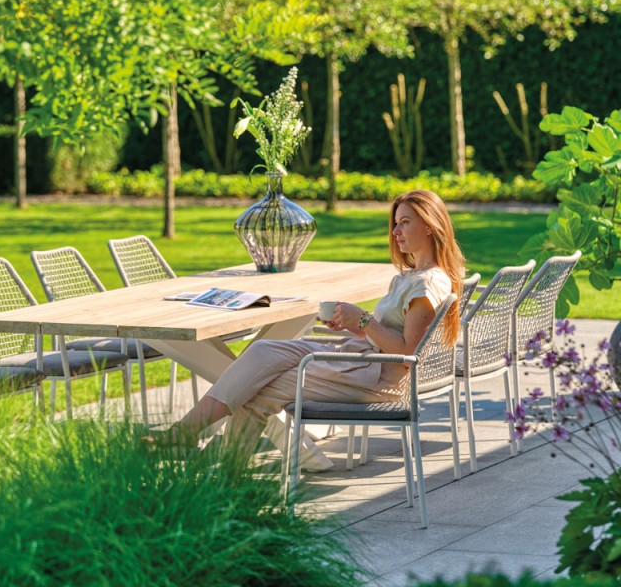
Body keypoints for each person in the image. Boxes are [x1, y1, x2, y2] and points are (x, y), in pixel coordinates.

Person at [152, 189, 466, 462]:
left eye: (405, 222)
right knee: (262, 351)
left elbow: (409, 352)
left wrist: (365, 320)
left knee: (259, 390)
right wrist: (353, 325)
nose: (396, 231)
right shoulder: (414, 276)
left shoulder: (428, 283)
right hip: (365, 360)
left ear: (429, 225)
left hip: (379, 379)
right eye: (395, 223)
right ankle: (186, 434)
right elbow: (390, 335)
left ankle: (218, 481)